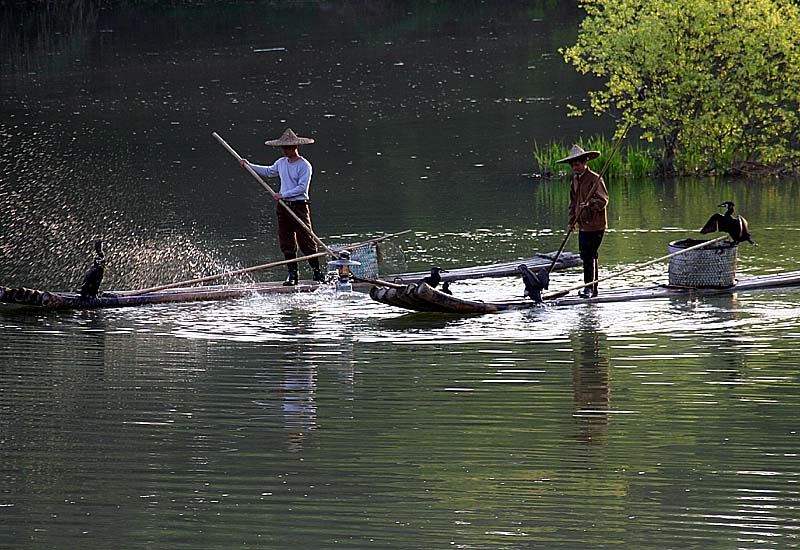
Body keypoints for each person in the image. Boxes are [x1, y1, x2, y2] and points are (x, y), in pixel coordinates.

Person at [240, 128, 325, 286]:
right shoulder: (281, 163)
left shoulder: (304, 165)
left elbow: (302, 188)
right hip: (283, 206)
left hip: (299, 205)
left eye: (287, 148)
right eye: (283, 148)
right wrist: (248, 165)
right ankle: (292, 274)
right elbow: (268, 171)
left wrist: (283, 194)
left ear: (295, 147)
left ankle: (317, 272)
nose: (285, 151)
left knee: (306, 239)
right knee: (286, 241)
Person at [557, 144, 609, 298]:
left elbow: (603, 200)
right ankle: (592, 288)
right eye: (573, 165)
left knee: (589, 254)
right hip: (583, 225)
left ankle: (589, 288)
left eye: (577, 164)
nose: (575, 167)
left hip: (596, 224)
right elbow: (573, 203)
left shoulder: (595, 179)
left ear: (585, 162)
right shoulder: (574, 180)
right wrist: (571, 221)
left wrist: (590, 203)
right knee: (586, 255)